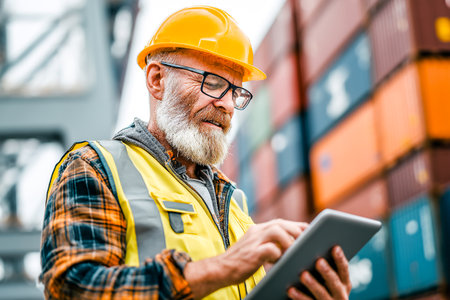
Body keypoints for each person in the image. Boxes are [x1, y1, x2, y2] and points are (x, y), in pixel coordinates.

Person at [40, 5, 352, 300]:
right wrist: (223, 268)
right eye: (213, 83)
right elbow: (73, 288)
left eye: (236, 92)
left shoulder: (234, 204)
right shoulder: (96, 168)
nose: (228, 105)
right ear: (157, 79)